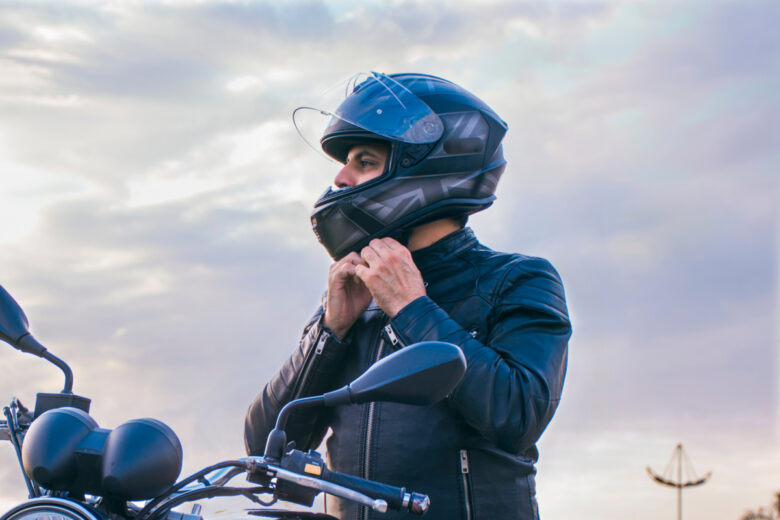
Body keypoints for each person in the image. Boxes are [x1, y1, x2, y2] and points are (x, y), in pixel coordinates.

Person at [244, 72, 571, 520]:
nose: (340, 178)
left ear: (428, 167)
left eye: (363, 161)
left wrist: (412, 309)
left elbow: (517, 414)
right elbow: (267, 445)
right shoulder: (357, 300)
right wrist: (329, 332)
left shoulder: (517, 279)